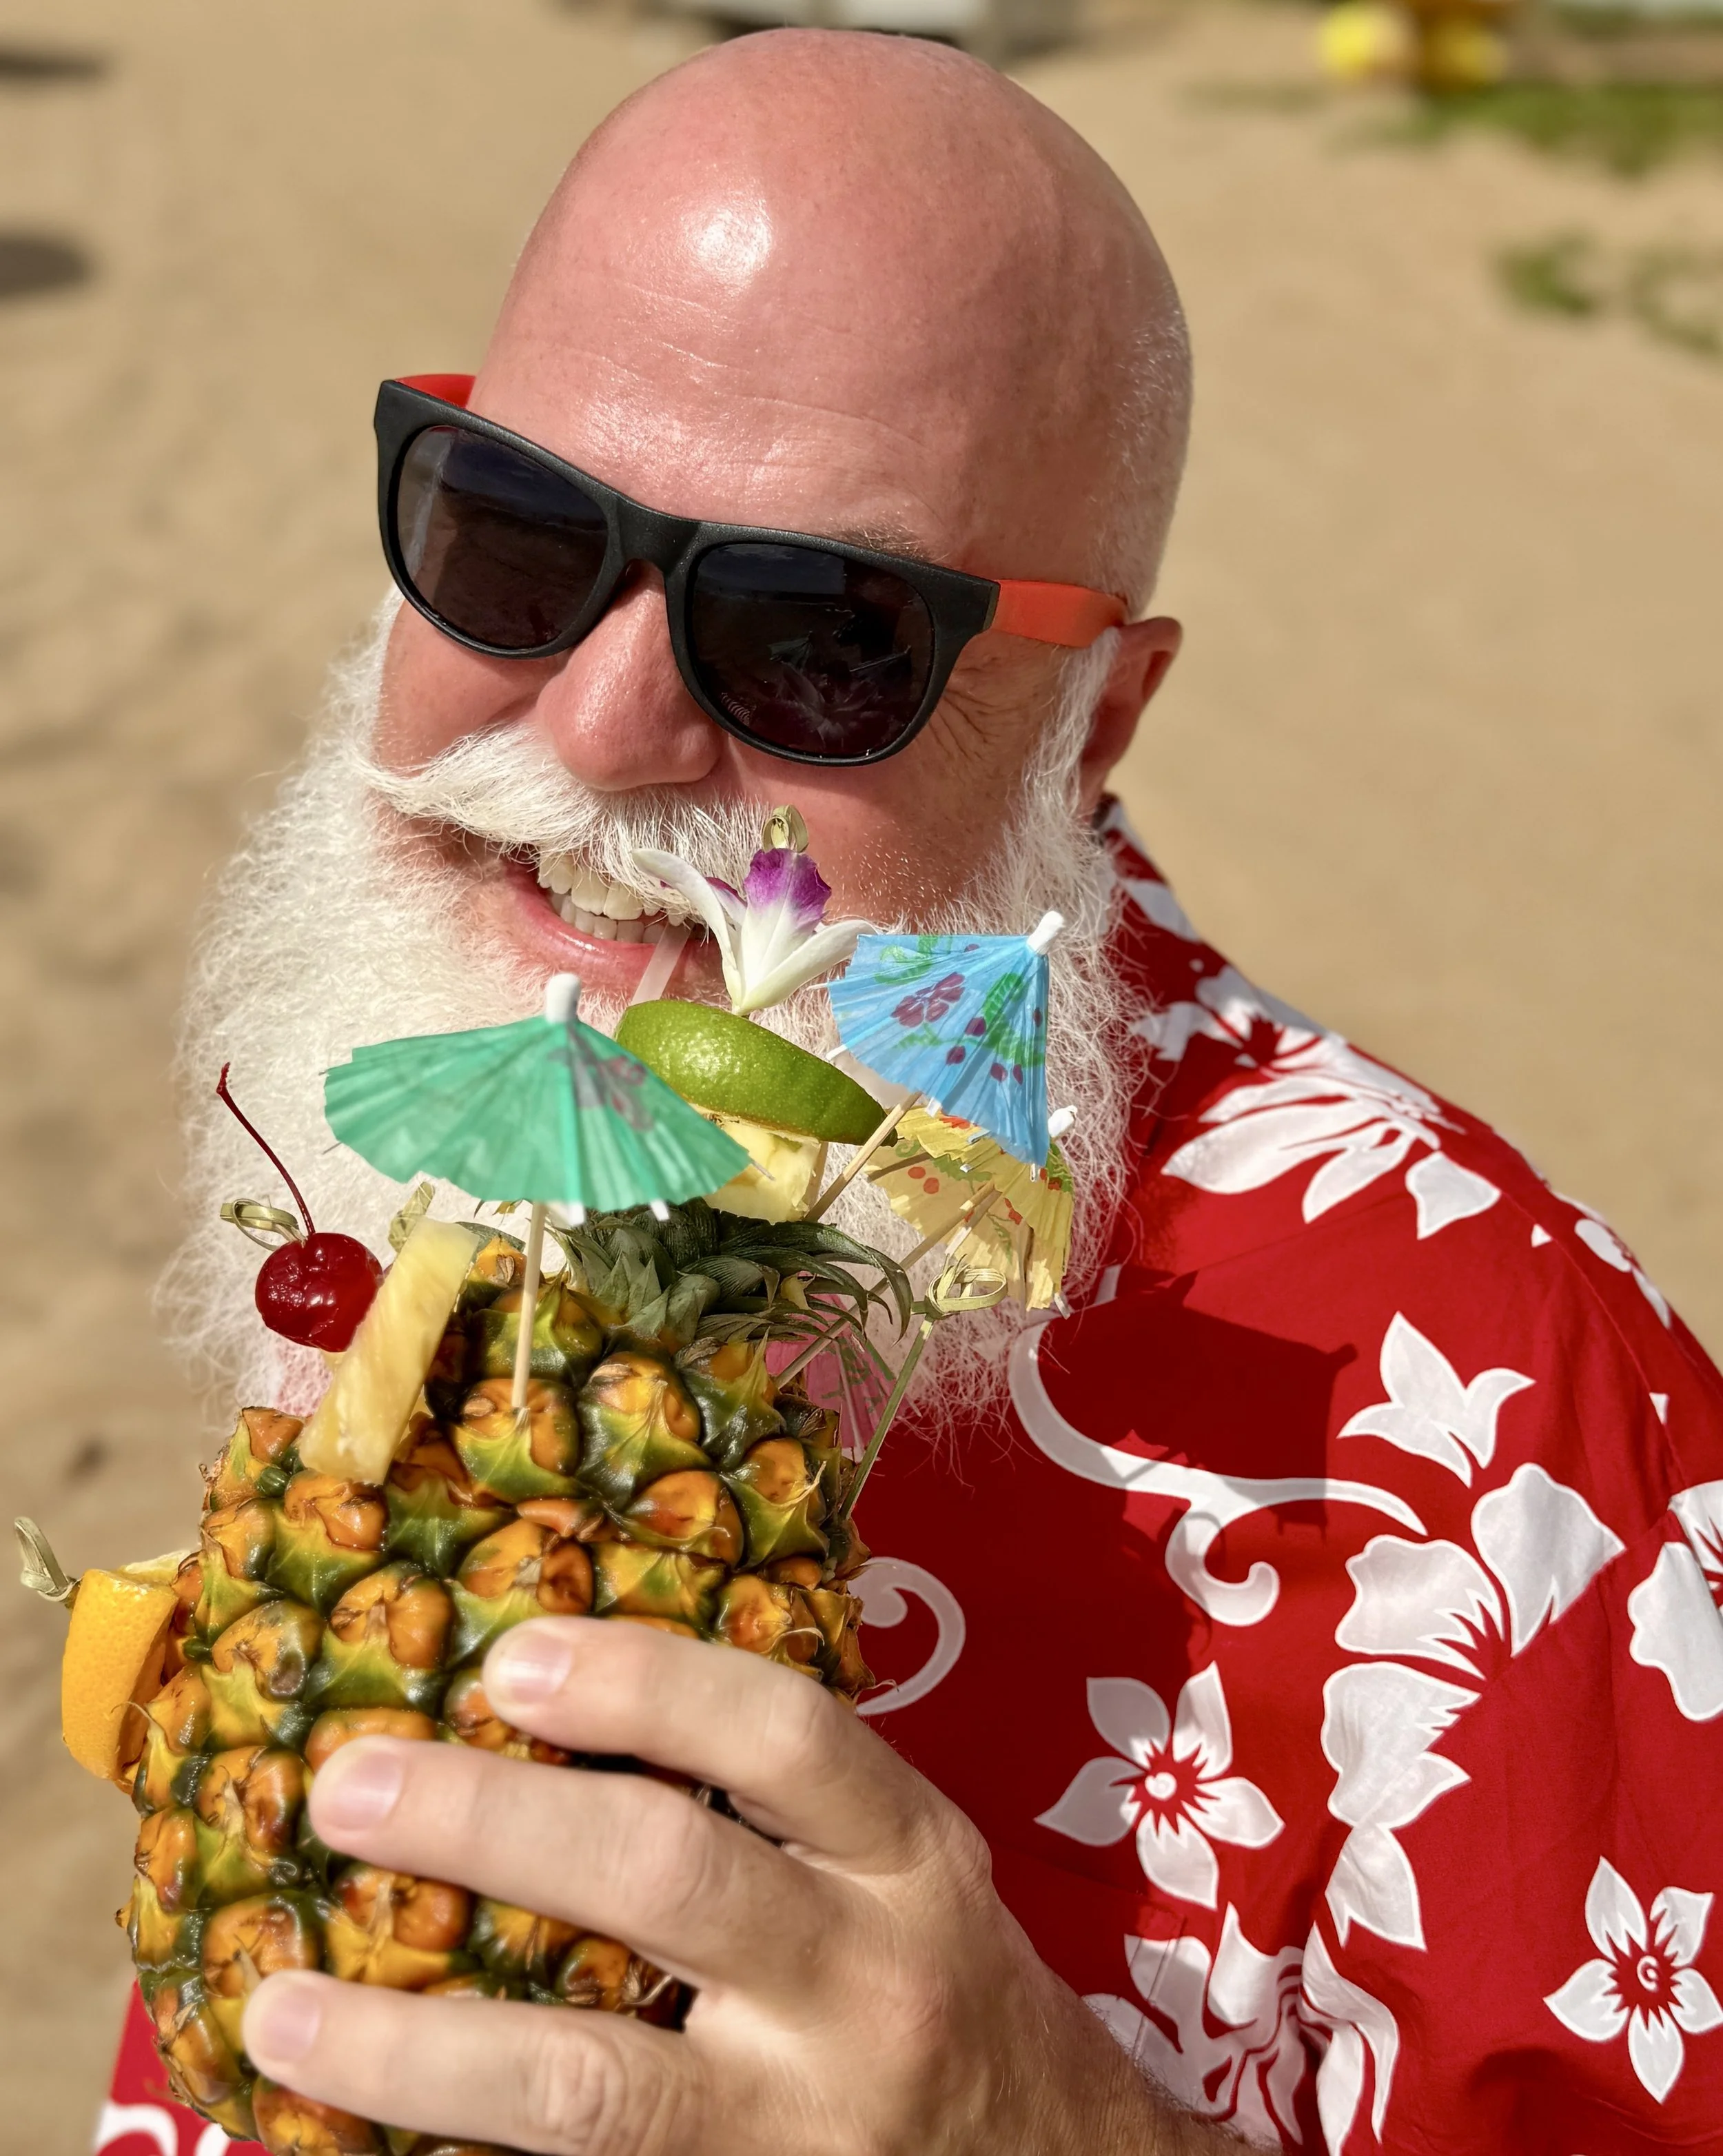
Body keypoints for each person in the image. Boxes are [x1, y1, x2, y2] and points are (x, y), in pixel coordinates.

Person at [109, 26, 1723, 2156]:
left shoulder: (1499, 1422)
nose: (597, 734)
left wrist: (1050, 2129)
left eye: (821, 635)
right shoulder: (428, 1092)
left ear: (1096, 717)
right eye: (510, 535)